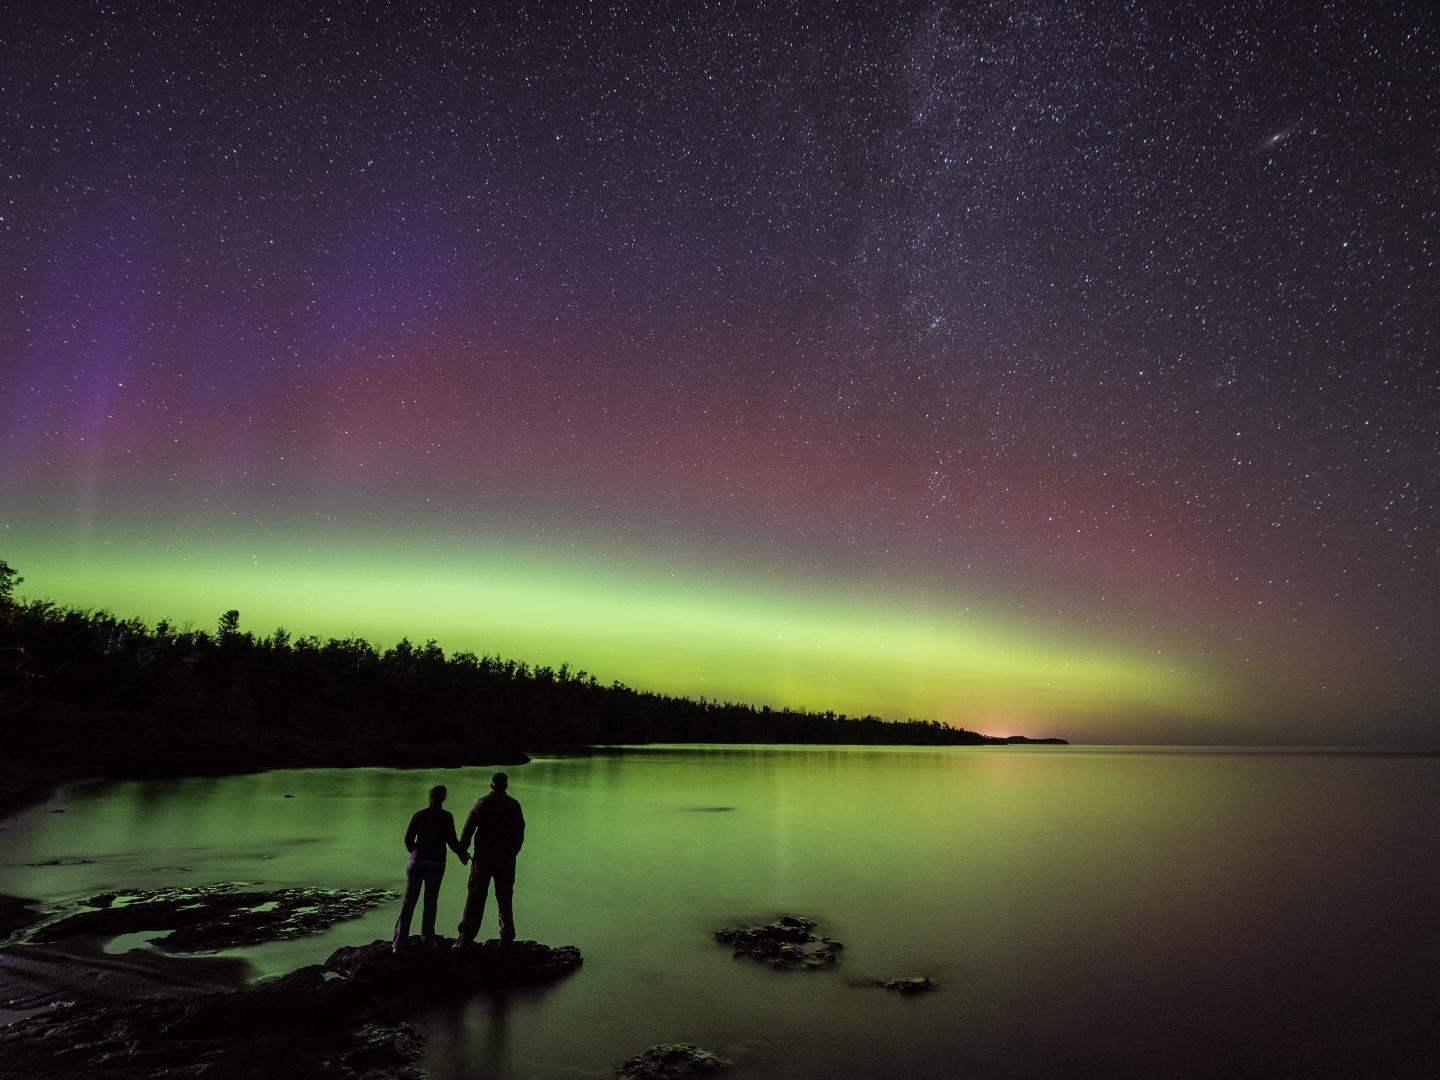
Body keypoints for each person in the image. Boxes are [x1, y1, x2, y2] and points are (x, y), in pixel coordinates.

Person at [393, 784, 468, 952]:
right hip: (436, 862)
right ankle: (427, 939)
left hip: (417, 861)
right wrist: (462, 854)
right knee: (430, 901)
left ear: (430, 797)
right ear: (443, 798)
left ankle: (399, 942)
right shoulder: (447, 817)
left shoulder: (419, 815)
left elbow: (408, 839)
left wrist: (416, 852)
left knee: (409, 901)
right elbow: (452, 841)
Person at [455, 771, 525, 946]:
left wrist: (462, 852)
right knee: (504, 898)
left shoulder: (482, 804)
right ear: (506, 786)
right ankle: (507, 935)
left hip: (483, 859)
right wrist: (513, 853)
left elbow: (468, 829)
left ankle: (466, 937)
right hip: (505, 860)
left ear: (491, 785)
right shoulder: (513, 805)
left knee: (475, 898)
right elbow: (519, 833)